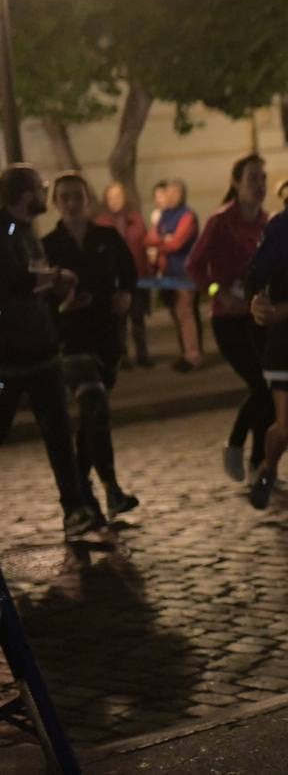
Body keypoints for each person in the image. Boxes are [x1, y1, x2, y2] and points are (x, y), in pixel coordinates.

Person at [0, 164, 103, 539]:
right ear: (26, 195)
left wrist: (57, 293)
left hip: (41, 350)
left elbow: (32, 280)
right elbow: (13, 280)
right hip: (9, 358)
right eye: (41, 189)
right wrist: (57, 278)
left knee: (58, 432)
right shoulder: (6, 228)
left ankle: (74, 508)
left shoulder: (26, 230)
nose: (45, 195)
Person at [42, 172, 141, 519]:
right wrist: (61, 307)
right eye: (64, 197)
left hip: (106, 337)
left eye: (77, 196)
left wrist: (125, 294)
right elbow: (38, 299)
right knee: (94, 407)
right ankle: (110, 489)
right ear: (56, 203)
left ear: (87, 199)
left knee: (90, 419)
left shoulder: (106, 237)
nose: (71, 202)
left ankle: (82, 494)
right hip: (71, 341)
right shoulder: (49, 245)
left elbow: (129, 272)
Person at [187, 156, 274, 485]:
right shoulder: (221, 220)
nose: (259, 184)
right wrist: (216, 292)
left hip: (259, 317)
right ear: (236, 182)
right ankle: (237, 445)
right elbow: (194, 265)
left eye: (263, 178)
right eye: (252, 178)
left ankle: (259, 464)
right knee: (261, 385)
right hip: (228, 321)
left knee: (270, 389)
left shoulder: (267, 222)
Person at [242, 176, 288, 510]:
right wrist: (258, 301)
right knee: (287, 426)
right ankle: (267, 468)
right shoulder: (277, 245)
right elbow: (254, 279)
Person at [96, 181, 153, 368]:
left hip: (137, 278)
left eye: (118, 196)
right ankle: (123, 357)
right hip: (114, 280)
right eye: (111, 197)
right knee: (119, 322)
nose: (115, 200)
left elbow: (144, 247)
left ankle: (142, 355)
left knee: (138, 318)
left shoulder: (135, 219)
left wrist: (148, 274)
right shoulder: (101, 223)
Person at [147, 179, 203, 371]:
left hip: (184, 273)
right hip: (167, 272)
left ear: (182, 194)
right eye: (168, 193)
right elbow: (150, 238)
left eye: (174, 193)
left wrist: (161, 242)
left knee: (185, 314)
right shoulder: (164, 216)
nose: (169, 196)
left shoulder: (187, 216)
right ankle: (185, 353)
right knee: (177, 315)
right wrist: (164, 240)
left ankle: (193, 356)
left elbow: (177, 243)